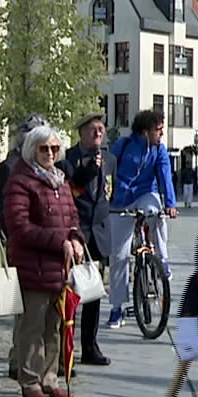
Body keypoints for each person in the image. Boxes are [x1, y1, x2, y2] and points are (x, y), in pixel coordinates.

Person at [3, 125, 86, 397]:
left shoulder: (60, 181)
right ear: (32, 150)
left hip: (59, 269)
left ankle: (49, 377)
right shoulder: (21, 182)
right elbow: (19, 225)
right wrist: (57, 242)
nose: (50, 153)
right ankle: (29, 380)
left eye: (54, 148)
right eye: (44, 148)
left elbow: (72, 217)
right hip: (33, 266)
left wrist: (75, 238)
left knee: (55, 326)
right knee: (32, 326)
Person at [105, 109, 178, 328]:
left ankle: (162, 259)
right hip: (122, 200)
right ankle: (117, 308)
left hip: (147, 193)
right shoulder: (124, 145)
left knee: (156, 213)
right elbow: (107, 167)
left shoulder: (159, 150)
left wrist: (171, 204)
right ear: (145, 131)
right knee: (118, 256)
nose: (161, 134)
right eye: (158, 130)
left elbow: (165, 175)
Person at [62, 113, 114, 366]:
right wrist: (86, 173)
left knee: (94, 292)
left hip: (100, 231)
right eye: (93, 130)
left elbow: (109, 192)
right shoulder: (68, 160)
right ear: (81, 132)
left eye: (101, 130)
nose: (98, 134)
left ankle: (90, 346)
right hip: (77, 230)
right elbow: (69, 191)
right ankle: (64, 349)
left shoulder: (109, 159)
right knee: (70, 293)